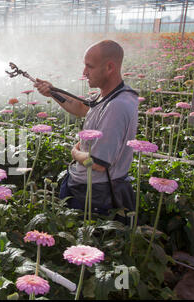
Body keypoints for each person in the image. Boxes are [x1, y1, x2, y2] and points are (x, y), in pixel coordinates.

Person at [34, 40, 139, 224]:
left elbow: (98, 163)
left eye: (89, 67)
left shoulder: (117, 106)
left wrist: (75, 152)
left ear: (109, 67)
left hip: (96, 195)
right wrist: (52, 92)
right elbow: (82, 108)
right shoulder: (108, 95)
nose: (84, 72)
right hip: (86, 187)